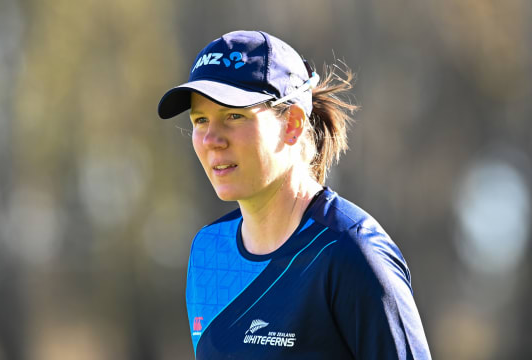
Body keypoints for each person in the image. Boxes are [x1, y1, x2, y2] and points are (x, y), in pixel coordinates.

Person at [157, 30, 431, 359]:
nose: (211, 138)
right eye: (200, 120)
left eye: (234, 116)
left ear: (293, 125)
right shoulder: (208, 251)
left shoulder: (352, 254)